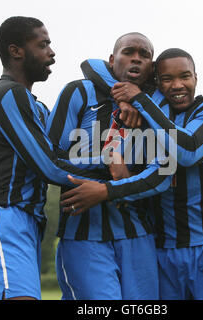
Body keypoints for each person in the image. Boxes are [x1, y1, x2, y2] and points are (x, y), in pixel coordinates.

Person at [80, 48, 203, 299]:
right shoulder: (149, 115)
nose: (178, 85)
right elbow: (91, 65)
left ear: (196, 77)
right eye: (167, 79)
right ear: (156, 81)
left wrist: (139, 99)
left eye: (185, 76)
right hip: (162, 253)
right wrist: (123, 98)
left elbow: (188, 151)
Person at [0, 16, 115, 300]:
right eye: (43, 44)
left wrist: (111, 162)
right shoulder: (7, 95)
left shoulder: (36, 106)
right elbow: (50, 167)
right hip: (2, 216)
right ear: (16, 51)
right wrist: (113, 175)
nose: (52, 52)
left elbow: (58, 155)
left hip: (25, 220)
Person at [48, 32, 172, 299]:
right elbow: (48, 159)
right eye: (129, 52)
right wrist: (106, 165)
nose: (136, 59)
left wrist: (118, 181)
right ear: (112, 60)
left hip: (139, 234)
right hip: (83, 233)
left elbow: (163, 172)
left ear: (152, 66)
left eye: (145, 54)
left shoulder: (158, 107)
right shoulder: (78, 92)